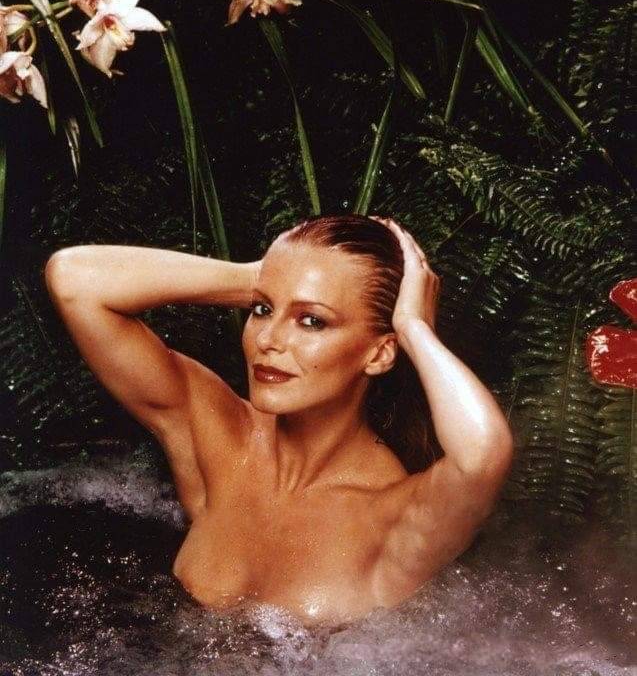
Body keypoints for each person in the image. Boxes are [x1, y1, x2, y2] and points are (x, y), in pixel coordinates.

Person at [44, 214, 514, 625]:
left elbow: (484, 454)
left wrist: (413, 327)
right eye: (262, 310)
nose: (268, 339)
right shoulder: (220, 439)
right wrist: (264, 276)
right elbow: (75, 281)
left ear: (379, 353)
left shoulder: (393, 516)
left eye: (312, 321)